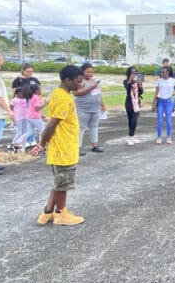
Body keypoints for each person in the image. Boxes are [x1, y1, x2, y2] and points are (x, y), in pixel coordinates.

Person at [32, 65, 85, 226]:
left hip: (60, 147)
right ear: (67, 80)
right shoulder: (63, 98)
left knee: (58, 181)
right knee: (62, 183)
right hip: (63, 148)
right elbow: (51, 125)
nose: (81, 84)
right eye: (78, 81)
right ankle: (61, 213)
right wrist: (41, 144)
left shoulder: (57, 93)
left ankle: (47, 212)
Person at [73, 63, 105, 155]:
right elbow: (76, 93)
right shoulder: (79, 81)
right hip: (83, 109)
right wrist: (90, 88)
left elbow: (98, 93)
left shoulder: (93, 81)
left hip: (95, 109)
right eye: (88, 72)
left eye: (91, 72)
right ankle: (77, 148)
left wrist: (102, 104)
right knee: (81, 127)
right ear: (82, 72)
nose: (90, 74)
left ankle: (94, 145)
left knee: (94, 126)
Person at [152, 66, 175, 145]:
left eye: (163, 72)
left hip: (169, 102)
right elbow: (156, 93)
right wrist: (154, 104)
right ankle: (159, 137)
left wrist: (174, 94)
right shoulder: (159, 81)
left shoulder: (173, 81)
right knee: (159, 120)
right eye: (161, 72)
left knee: (169, 120)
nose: (162, 73)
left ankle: (168, 137)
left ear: (168, 72)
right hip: (160, 102)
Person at [124, 66, 144, 146]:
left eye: (135, 72)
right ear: (129, 73)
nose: (134, 74)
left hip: (136, 102)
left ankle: (131, 135)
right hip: (129, 102)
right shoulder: (126, 81)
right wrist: (130, 81)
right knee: (130, 120)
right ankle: (131, 136)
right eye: (132, 72)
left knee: (135, 119)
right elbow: (128, 89)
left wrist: (140, 85)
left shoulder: (137, 81)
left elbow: (141, 92)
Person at [8, 87, 29, 152]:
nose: (23, 95)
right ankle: (13, 143)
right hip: (18, 118)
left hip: (24, 117)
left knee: (25, 131)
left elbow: (26, 107)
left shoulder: (25, 99)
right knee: (19, 131)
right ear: (17, 94)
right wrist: (12, 116)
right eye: (21, 93)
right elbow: (11, 108)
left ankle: (22, 145)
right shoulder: (14, 100)